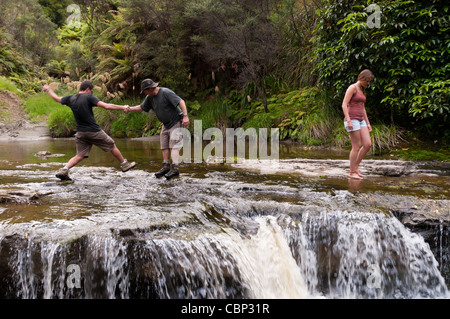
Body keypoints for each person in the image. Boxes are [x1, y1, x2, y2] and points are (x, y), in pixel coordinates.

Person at [42, 80, 136, 181]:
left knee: (80, 155)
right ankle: (124, 164)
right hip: (93, 131)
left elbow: (56, 99)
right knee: (111, 145)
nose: (92, 93)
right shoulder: (89, 97)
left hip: (80, 133)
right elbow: (106, 106)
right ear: (87, 89)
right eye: (92, 91)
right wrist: (123, 107)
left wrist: (48, 90)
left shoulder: (70, 98)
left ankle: (64, 170)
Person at [125, 79, 189, 179]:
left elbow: (181, 101)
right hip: (165, 124)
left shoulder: (166, 92)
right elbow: (142, 107)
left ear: (149, 89)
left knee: (174, 146)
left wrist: (185, 116)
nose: (144, 93)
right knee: (164, 145)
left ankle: (175, 168)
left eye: (144, 91)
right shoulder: (149, 97)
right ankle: (166, 166)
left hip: (176, 121)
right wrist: (130, 109)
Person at [341, 69, 374, 180]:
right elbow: (344, 104)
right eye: (367, 81)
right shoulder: (352, 88)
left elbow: (363, 108)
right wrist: (349, 120)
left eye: (370, 81)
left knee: (367, 144)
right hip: (352, 119)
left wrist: (368, 123)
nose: (368, 83)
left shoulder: (362, 90)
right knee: (356, 146)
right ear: (362, 78)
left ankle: (355, 167)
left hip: (361, 120)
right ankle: (351, 172)